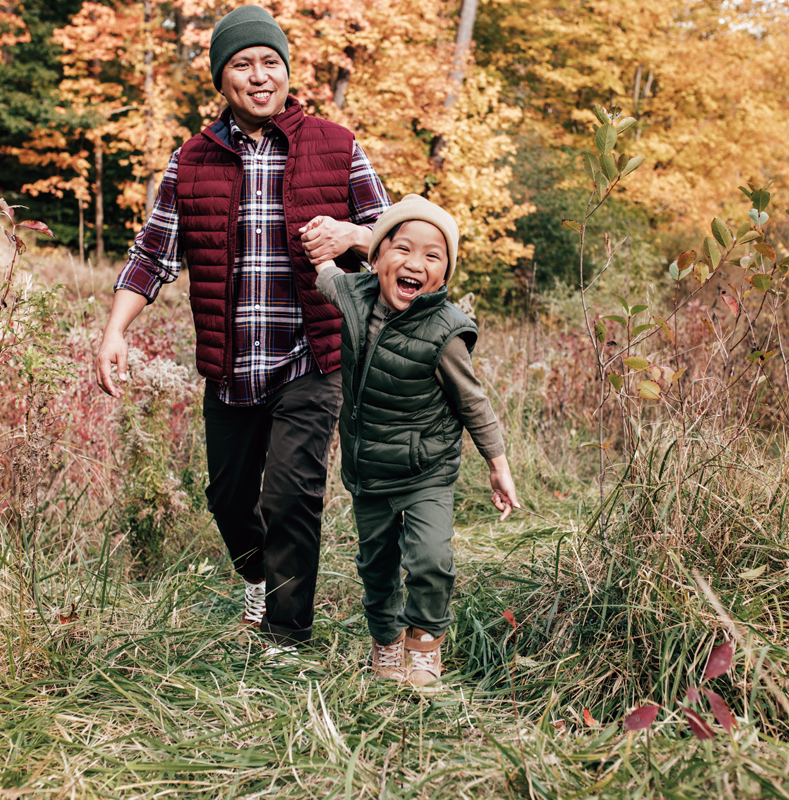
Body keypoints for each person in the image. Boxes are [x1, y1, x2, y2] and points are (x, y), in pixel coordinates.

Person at [95, 5, 391, 648]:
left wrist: (351, 235)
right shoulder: (191, 161)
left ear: (287, 71)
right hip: (230, 364)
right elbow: (153, 254)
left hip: (312, 357)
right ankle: (257, 581)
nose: (260, 76)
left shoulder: (336, 146)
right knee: (229, 502)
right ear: (221, 79)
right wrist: (115, 330)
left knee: (291, 496)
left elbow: (397, 241)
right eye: (242, 64)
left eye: (271, 63)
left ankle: (286, 639)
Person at [310, 194, 519, 686]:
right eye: (402, 249)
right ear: (377, 256)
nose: (415, 264)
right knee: (376, 564)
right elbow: (324, 272)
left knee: (431, 558)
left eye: (433, 255)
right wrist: (316, 238)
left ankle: (423, 644)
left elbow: (473, 402)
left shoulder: (446, 333)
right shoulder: (353, 296)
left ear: (444, 274)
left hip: (428, 469)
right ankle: (385, 642)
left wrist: (497, 462)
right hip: (370, 467)